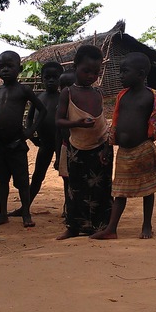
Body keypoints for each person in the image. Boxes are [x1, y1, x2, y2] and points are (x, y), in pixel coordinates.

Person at [91, 52, 156, 240]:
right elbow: (115, 122)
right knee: (119, 191)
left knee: (149, 189)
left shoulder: (154, 96)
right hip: (123, 151)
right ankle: (111, 229)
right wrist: (108, 146)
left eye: (125, 72)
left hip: (143, 149)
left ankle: (147, 225)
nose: (121, 75)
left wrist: (155, 134)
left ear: (140, 74)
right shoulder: (123, 96)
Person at [0, 51, 47, 228]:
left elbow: (42, 111)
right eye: (1, 67)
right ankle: (2, 214)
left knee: (22, 181)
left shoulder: (24, 90)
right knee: (2, 180)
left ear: (19, 69)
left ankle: (26, 214)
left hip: (16, 142)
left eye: (9, 66)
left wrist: (30, 131)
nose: (5, 70)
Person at [55, 45, 113, 240]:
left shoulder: (98, 93)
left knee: (102, 190)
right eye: (86, 71)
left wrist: (107, 146)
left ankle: (101, 226)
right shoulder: (68, 93)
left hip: (101, 147)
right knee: (75, 189)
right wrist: (76, 123)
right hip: (76, 148)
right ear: (75, 66)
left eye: (95, 72)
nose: (91, 76)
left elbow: (103, 122)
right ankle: (73, 227)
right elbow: (59, 120)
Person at [7, 61, 62, 218]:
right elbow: (29, 118)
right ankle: (25, 206)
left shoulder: (62, 98)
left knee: (66, 177)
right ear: (42, 78)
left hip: (62, 144)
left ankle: (68, 207)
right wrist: (30, 134)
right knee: (38, 175)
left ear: (60, 78)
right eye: (47, 77)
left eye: (54, 77)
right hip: (44, 143)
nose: (51, 80)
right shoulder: (39, 97)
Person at [55, 69, 76, 218]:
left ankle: (77, 207)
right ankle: (68, 205)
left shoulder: (83, 104)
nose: (66, 89)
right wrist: (58, 156)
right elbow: (59, 133)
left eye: (70, 85)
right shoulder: (60, 108)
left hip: (82, 147)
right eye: (63, 85)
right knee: (66, 179)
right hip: (65, 147)